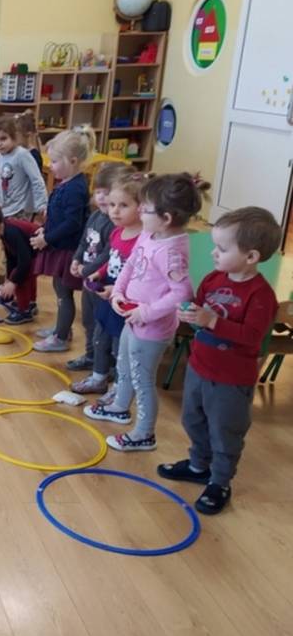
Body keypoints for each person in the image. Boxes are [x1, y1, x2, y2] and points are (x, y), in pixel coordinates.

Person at [158, 207, 281, 514]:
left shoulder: (261, 295)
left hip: (231, 381)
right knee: (192, 419)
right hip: (199, 368)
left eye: (222, 249)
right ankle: (199, 466)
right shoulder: (214, 279)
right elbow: (200, 309)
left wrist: (212, 321)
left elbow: (252, 336)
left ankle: (220, 482)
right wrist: (190, 313)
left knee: (225, 432)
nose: (214, 253)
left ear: (251, 256)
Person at [85, 173, 211, 452]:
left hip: (152, 328)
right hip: (133, 318)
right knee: (124, 367)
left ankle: (144, 434)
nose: (140, 210)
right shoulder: (149, 233)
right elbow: (130, 265)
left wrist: (146, 313)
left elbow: (182, 293)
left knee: (142, 381)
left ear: (166, 218)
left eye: (145, 207)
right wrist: (119, 292)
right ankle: (119, 408)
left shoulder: (172, 252)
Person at [74, 172, 145, 396]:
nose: (114, 211)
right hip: (108, 296)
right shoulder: (117, 233)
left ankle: (119, 388)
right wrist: (99, 273)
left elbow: (141, 276)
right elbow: (113, 259)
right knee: (100, 337)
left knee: (119, 347)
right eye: (112, 204)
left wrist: (116, 290)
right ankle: (98, 378)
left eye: (123, 205)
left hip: (125, 301)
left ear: (141, 208)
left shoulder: (143, 240)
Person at [30, 127, 93, 352]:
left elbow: (72, 223)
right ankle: (61, 328)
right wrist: (44, 229)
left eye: (55, 161)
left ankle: (61, 337)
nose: (51, 166)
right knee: (59, 289)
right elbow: (59, 217)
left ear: (73, 161)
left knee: (64, 292)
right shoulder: (67, 183)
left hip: (68, 249)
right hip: (61, 245)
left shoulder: (75, 188)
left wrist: (47, 238)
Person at [67, 162, 130, 371]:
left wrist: (86, 269)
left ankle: (105, 363)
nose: (101, 197)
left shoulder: (115, 224)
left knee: (101, 325)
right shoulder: (95, 217)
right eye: (98, 192)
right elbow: (84, 241)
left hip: (104, 282)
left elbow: (107, 255)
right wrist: (76, 259)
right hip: (89, 281)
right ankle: (91, 355)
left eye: (106, 192)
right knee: (88, 320)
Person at [0, 116, 48, 221]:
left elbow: (36, 179)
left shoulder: (22, 154)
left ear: (14, 137)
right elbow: (0, 182)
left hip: (21, 209)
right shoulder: (0, 155)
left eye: (3, 138)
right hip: (6, 207)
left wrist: (41, 204)